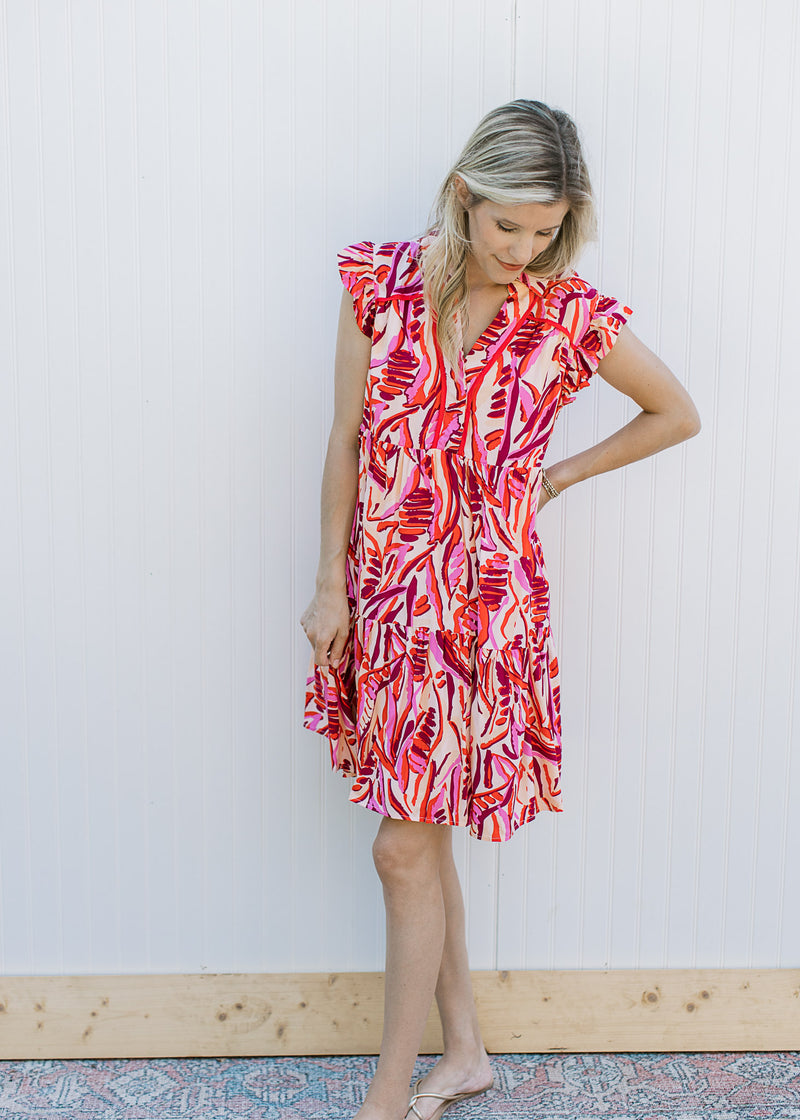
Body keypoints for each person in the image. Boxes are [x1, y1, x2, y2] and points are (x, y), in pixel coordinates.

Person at [300, 99, 701, 1120]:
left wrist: (556, 476)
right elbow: (345, 441)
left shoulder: (568, 315)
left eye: (545, 230)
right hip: (388, 593)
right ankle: (464, 1052)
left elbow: (675, 411)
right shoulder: (377, 286)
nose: (524, 249)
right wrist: (326, 584)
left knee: (403, 843)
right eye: (505, 225)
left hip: (484, 604)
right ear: (460, 197)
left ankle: (391, 1086)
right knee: (417, 841)